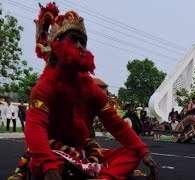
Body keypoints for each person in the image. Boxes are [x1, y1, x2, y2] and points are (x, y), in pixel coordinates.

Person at [8, 3, 157, 179]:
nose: (80, 46)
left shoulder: (92, 91)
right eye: (73, 40)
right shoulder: (43, 89)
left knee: (132, 154)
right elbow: (35, 130)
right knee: (41, 164)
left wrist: (142, 151)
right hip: (55, 152)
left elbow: (116, 125)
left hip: (84, 153)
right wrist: (48, 166)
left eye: (83, 42)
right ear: (56, 46)